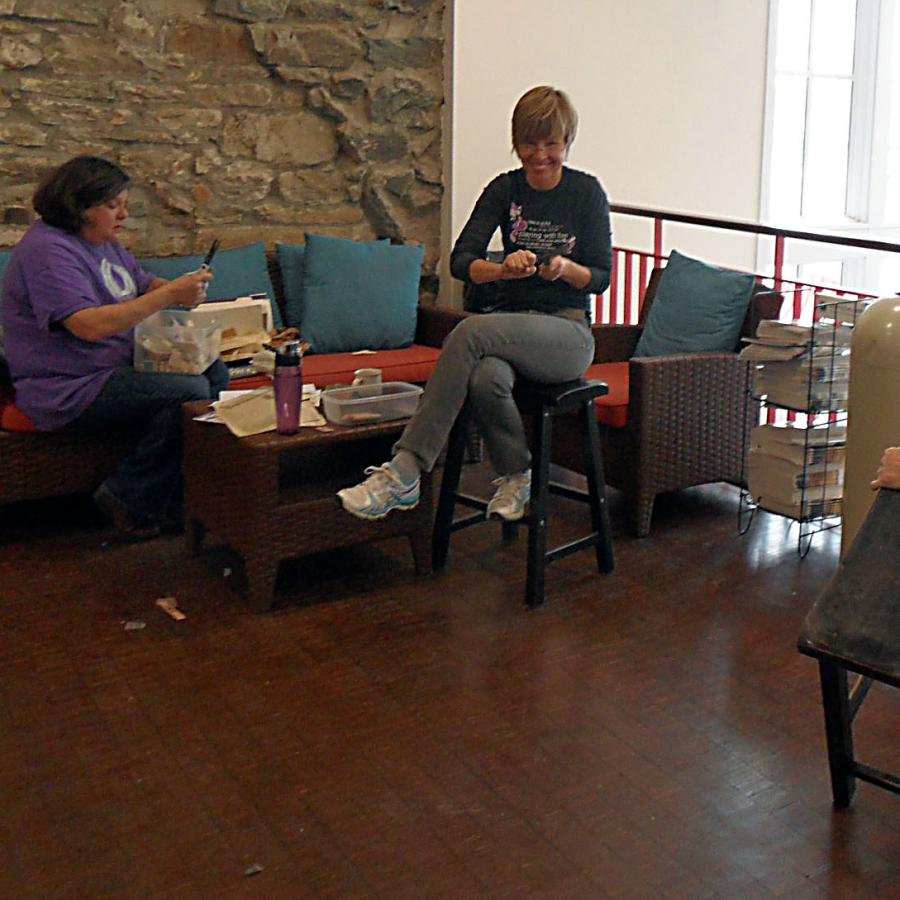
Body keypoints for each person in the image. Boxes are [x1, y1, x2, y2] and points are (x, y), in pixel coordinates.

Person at [337, 85, 611, 522]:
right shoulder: (504, 190)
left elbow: (600, 278)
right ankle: (516, 476)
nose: (540, 155)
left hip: (567, 334)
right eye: (529, 144)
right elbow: (461, 261)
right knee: (486, 376)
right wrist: (503, 269)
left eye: (551, 144)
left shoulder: (586, 193)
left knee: (468, 331)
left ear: (567, 142)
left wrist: (563, 267)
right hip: (508, 328)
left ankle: (405, 469)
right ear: (516, 143)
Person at [1, 155, 229, 538]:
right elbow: (88, 326)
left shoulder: (102, 241)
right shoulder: (48, 250)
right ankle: (127, 500)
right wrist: (170, 294)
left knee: (213, 371)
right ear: (79, 206)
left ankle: (179, 495)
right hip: (68, 385)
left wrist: (181, 289)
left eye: (124, 204)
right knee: (187, 393)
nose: (123, 214)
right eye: (112, 206)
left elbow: (140, 282)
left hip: (118, 368)